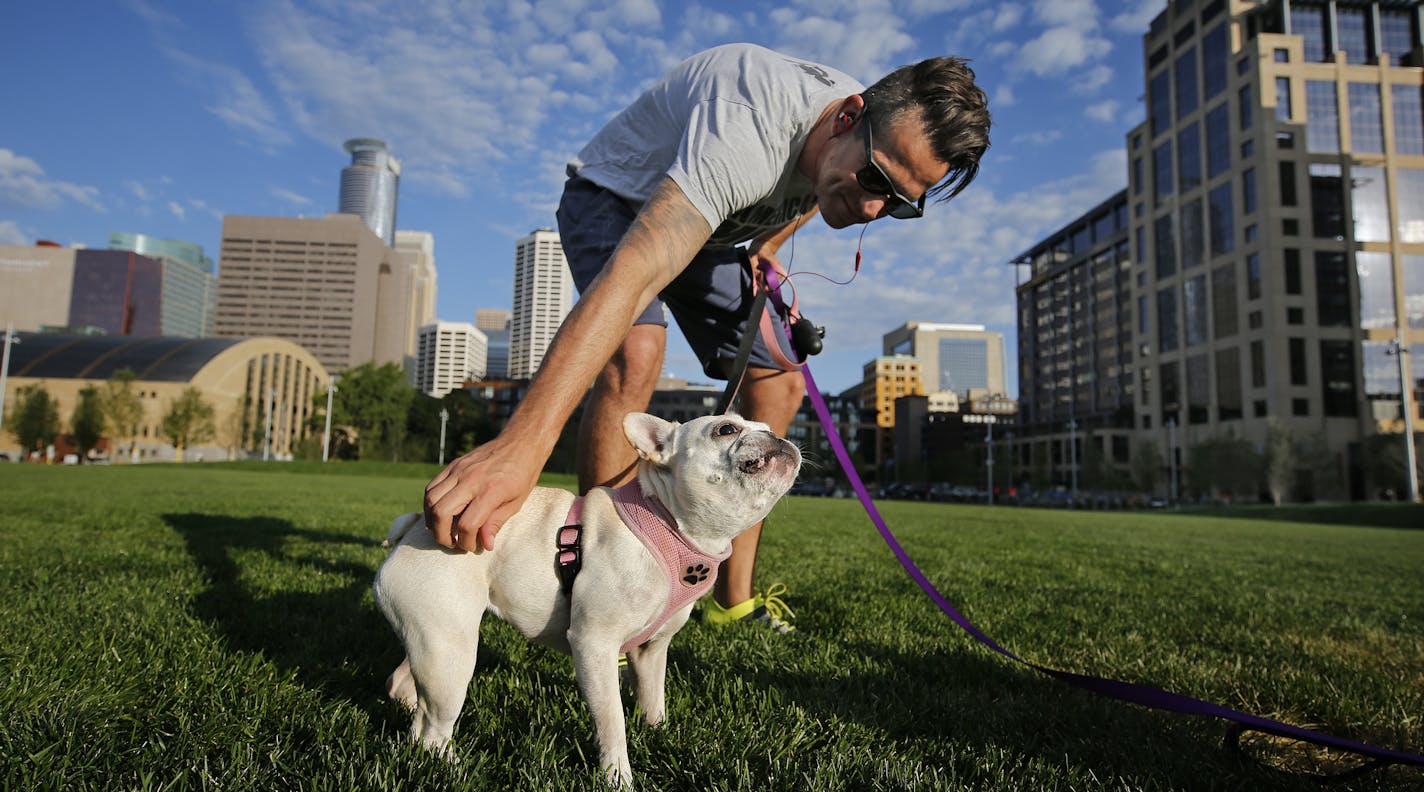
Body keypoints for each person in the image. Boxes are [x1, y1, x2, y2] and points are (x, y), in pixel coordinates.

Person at [425, 42, 990, 633]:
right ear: (845, 117)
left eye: (901, 204)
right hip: (616, 197)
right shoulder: (749, 126)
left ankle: (730, 599)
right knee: (637, 353)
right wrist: (522, 447)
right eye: (875, 179)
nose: (874, 208)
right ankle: (604, 587)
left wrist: (766, 244)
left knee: (780, 378)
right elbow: (636, 270)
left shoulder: (854, 133)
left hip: (717, 234)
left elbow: (822, 189)